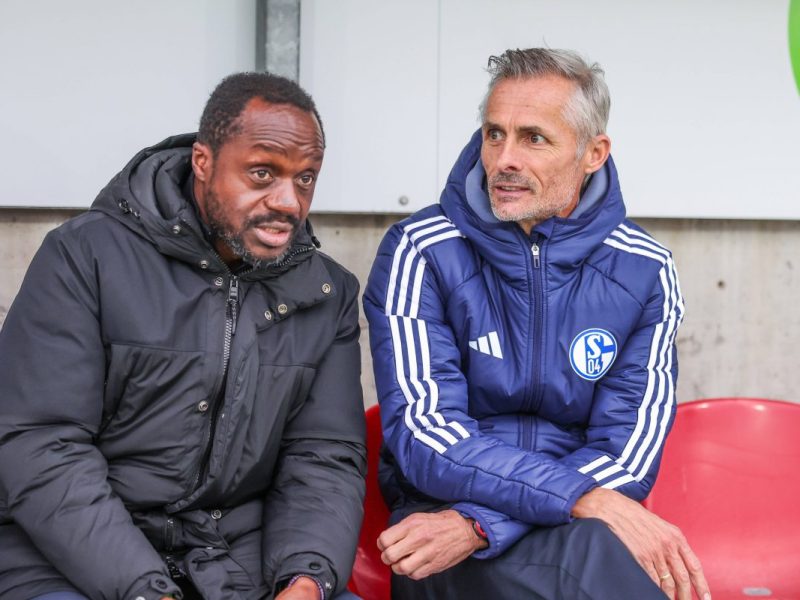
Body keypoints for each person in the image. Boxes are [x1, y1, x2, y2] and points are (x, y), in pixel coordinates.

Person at [0, 72, 365, 600]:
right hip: (67, 558)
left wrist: (306, 578)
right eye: (262, 173)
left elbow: (323, 455)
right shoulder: (85, 256)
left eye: (305, 178)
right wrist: (145, 588)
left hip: (234, 558)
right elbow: (40, 442)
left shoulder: (326, 292)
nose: (288, 201)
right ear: (204, 163)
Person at [364, 48, 710, 600]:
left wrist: (485, 525)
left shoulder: (645, 268)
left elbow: (629, 452)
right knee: (602, 558)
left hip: (530, 526)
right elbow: (425, 436)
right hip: (438, 529)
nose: (504, 159)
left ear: (594, 153)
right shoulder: (421, 250)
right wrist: (576, 498)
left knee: (600, 550)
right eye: (494, 134)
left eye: (534, 138)